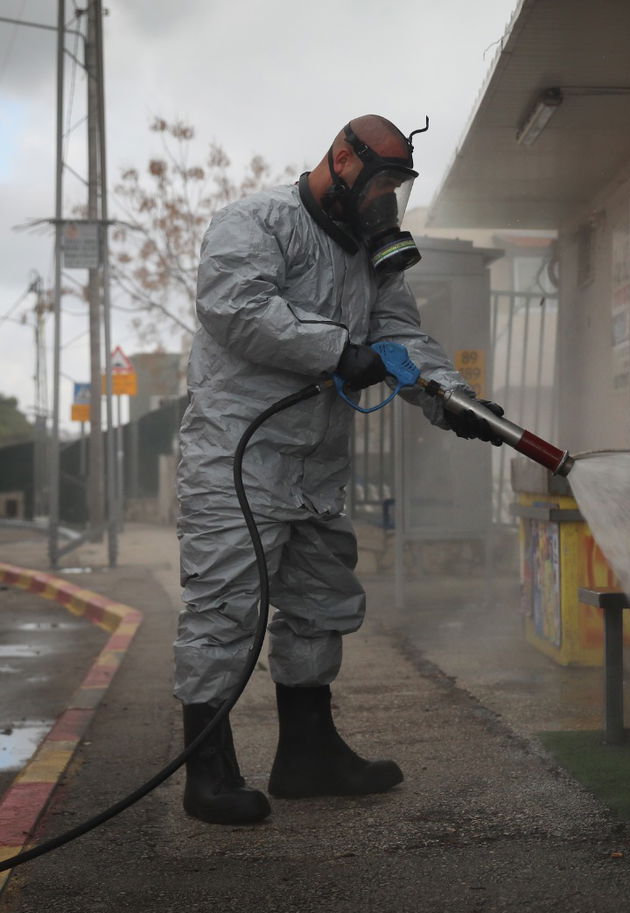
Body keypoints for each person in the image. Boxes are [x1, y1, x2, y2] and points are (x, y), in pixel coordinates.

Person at [174, 115, 501, 824]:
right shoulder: (255, 221)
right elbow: (237, 308)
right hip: (239, 454)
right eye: (381, 183)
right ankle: (209, 773)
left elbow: (401, 336)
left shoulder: (369, 255)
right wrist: (337, 351)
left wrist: (453, 399)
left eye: (397, 188)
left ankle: (308, 756)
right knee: (225, 609)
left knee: (320, 605)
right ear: (343, 161)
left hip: (316, 465)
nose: (386, 201)